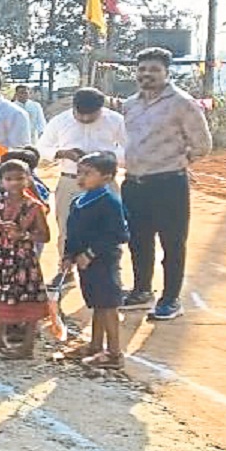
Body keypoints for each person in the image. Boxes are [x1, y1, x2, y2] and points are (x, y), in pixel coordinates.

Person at [120, 47, 212, 320]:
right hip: (134, 184)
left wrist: (173, 164)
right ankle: (141, 291)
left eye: (154, 70)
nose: (147, 75)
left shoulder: (182, 103)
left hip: (169, 184)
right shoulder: (130, 105)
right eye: (143, 70)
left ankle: (170, 299)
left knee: (172, 243)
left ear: (167, 73)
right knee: (138, 240)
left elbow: (202, 145)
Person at [35, 87, 127, 261]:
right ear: (73, 107)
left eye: (91, 115)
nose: (85, 119)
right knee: (66, 227)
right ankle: (65, 268)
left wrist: (106, 157)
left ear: (101, 108)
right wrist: (62, 153)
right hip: (70, 180)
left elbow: (131, 150)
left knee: (107, 227)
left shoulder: (115, 120)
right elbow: (41, 149)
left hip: (104, 183)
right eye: (80, 114)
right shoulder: (60, 121)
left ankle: (110, 268)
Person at [61, 152, 130, 370]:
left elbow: (118, 234)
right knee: (97, 303)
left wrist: (90, 253)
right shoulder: (78, 201)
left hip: (103, 262)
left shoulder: (109, 202)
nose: (81, 178)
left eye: (88, 173)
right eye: (79, 172)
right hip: (84, 263)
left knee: (108, 305)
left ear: (107, 177)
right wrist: (68, 255)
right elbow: (71, 232)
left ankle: (114, 353)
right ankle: (95, 345)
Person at [0, 159, 51, 357]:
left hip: (22, 260)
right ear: (2, 181)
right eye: (9, 179)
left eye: (20, 178)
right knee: (0, 294)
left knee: (27, 298)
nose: (14, 183)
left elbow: (45, 236)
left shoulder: (34, 206)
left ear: (28, 180)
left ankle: (27, 345)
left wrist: (23, 235)